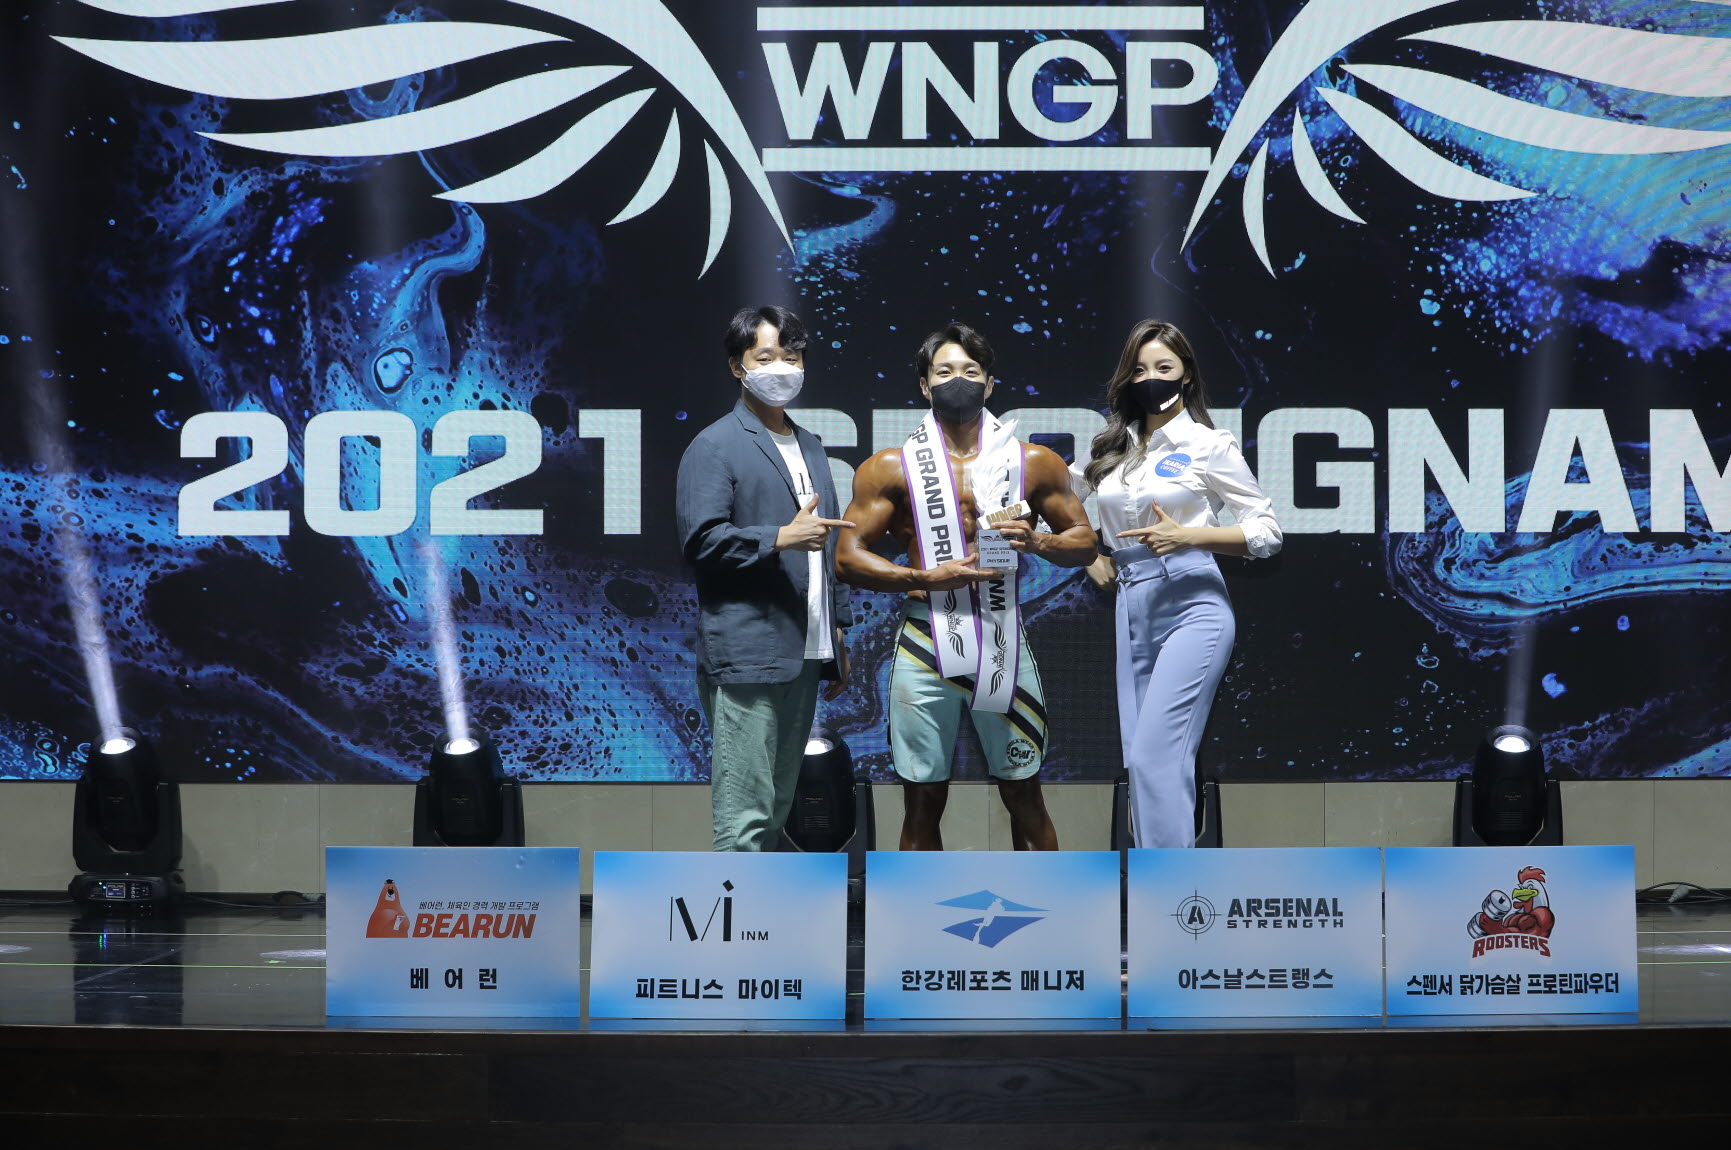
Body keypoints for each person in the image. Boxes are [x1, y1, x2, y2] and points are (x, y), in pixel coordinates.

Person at [837, 322, 1096, 850]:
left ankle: (1049, 900)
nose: (959, 380)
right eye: (945, 371)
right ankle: (919, 904)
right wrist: (922, 577)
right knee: (922, 800)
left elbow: (1085, 543)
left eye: (971, 371)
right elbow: (846, 557)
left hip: (1001, 633)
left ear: (990, 384)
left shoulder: (1032, 462)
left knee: (1023, 792)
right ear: (924, 385)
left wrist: (1038, 542)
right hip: (925, 637)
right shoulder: (889, 467)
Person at [1073, 320, 1282, 848]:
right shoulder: (1111, 448)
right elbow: (1057, 499)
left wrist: (1189, 535)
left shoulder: (1209, 444)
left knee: (1156, 757)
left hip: (1193, 601)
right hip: (1132, 603)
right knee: (1141, 763)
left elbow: (1266, 532)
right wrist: (1089, 555)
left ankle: (1171, 886)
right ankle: (1163, 883)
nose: (1151, 378)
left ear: (1186, 375)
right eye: (1139, 369)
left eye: (1164, 367)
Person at [675, 305, 854, 851]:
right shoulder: (714, 445)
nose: (783, 368)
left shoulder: (811, 445)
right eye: (767, 357)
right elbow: (701, 541)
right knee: (745, 816)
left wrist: (837, 630)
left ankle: (762, 908)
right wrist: (778, 536)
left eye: (792, 357)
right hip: (748, 650)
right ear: (738, 366)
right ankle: (736, 907)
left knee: (777, 809)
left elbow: (829, 543)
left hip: (806, 647)